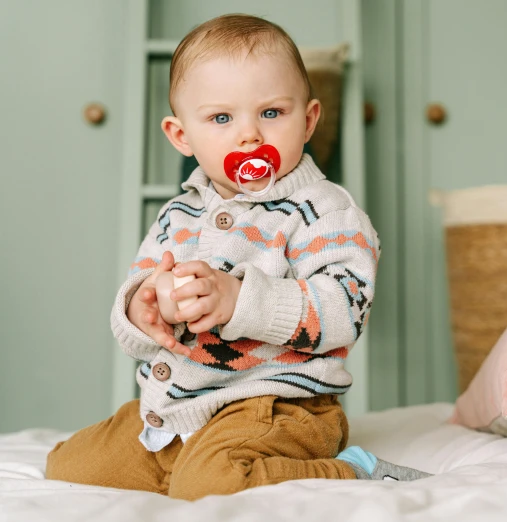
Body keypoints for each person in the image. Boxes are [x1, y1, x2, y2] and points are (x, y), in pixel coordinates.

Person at [46, 13, 429, 500]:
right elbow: (140, 291)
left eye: (271, 113)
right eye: (221, 118)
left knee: (214, 483)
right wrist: (148, 307)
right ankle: (183, 461)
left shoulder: (323, 210)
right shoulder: (177, 214)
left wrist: (240, 299)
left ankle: (353, 469)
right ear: (182, 136)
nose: (249, 135)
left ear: (308, 119)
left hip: (278, 407)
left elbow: (344, 308)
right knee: (71, 464)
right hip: (177, 404)